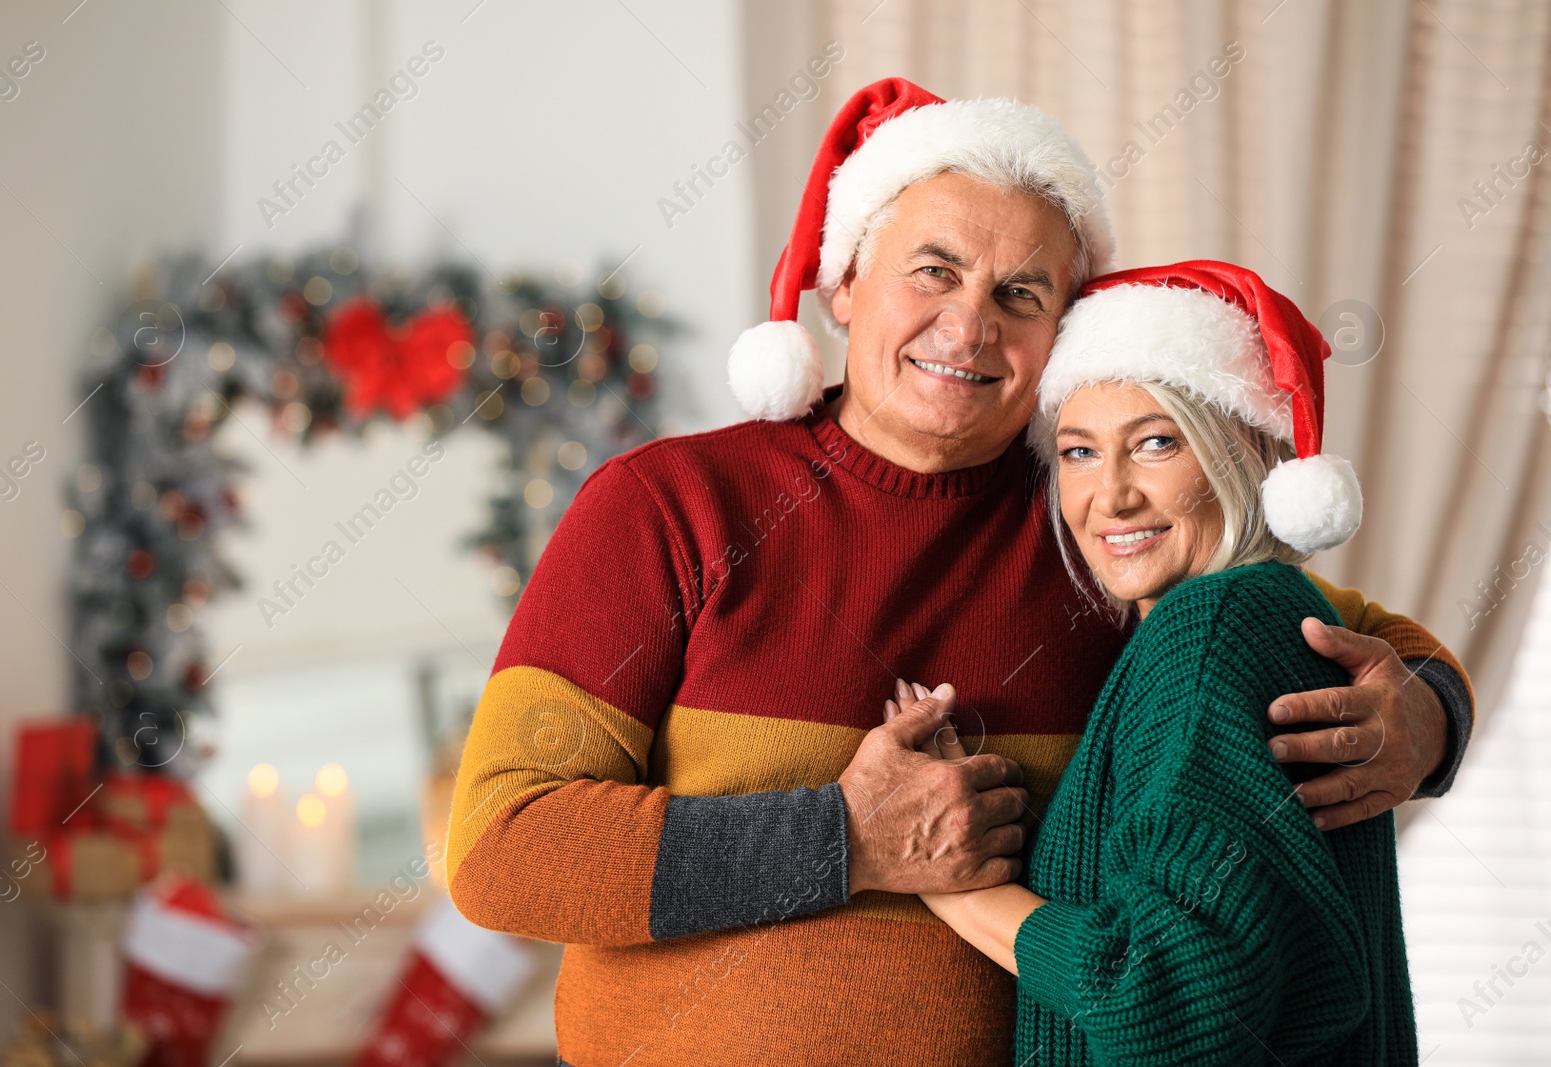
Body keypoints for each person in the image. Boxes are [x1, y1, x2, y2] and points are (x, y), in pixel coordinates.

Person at [445, 79, 1471, 1066]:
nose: (970, 323)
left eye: (1019, 293)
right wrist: (842, 836)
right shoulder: (668, 504)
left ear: (1055, 335)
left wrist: (1423, 720)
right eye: (931, 271)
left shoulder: (1104, 527)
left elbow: (1341, 633)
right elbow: (502, 846)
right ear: (845, 285)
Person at [906, 261, 1417, 1064]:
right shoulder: (1266, 618)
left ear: (1241, 450)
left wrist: (953, 884)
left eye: (1154, 443)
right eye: (1077, 452)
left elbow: (1170, 995)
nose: (1110, 496)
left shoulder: (1210, 628)